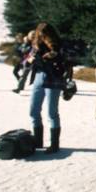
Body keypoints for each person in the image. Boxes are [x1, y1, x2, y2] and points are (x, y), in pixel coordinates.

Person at [28, 22, 68, 154]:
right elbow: (28, 59)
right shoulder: (36, 44)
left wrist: (52, 56)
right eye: (40, 33)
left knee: (52, 112)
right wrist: (31, 59)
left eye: (43, 34)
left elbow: (63, 59)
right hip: (39, 76)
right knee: (33, 110)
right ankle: (38, 142)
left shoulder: (57, 45)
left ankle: (54, 145)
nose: (41, 36)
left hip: (53, 77)